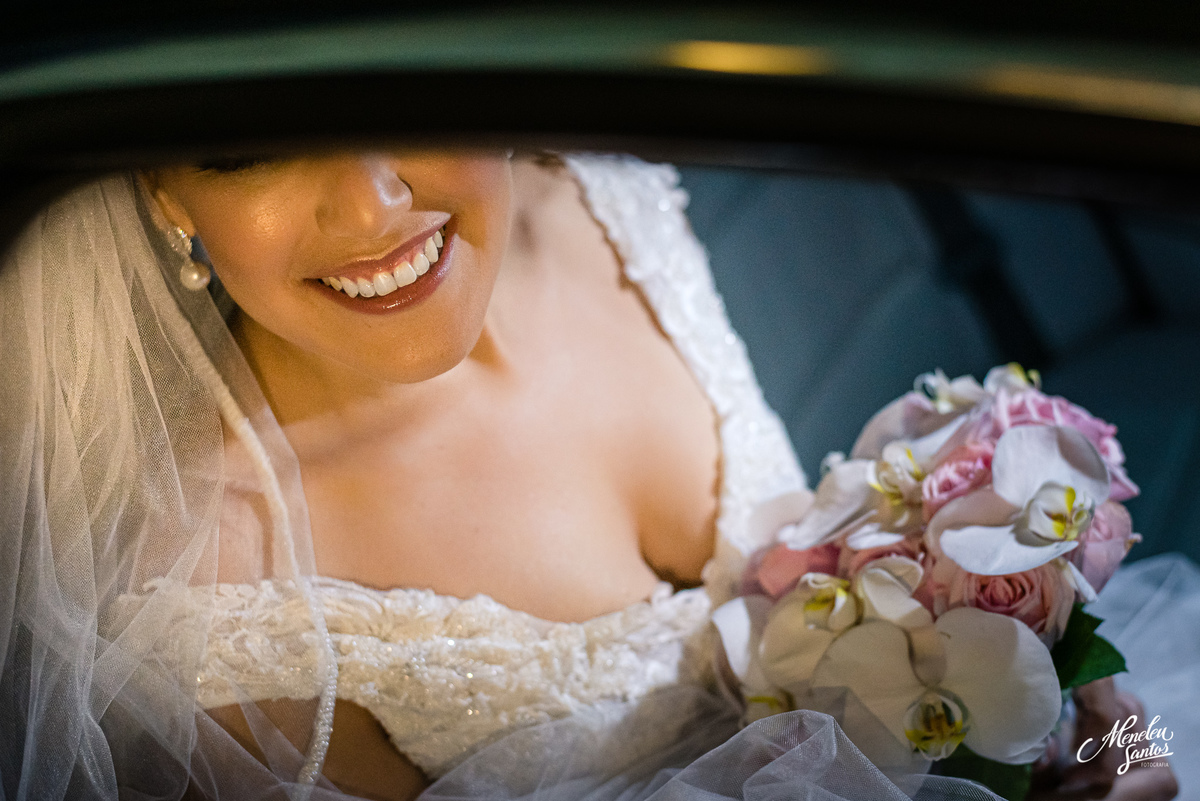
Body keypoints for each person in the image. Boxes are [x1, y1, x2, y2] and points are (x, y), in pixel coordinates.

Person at [0, 149, 1181, 801]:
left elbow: (1002, 686)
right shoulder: (224, 610)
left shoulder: (604, 202)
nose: (372, 203)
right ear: (162, 192)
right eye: (255, 149)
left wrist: (1111, 744)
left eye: (399, 86)